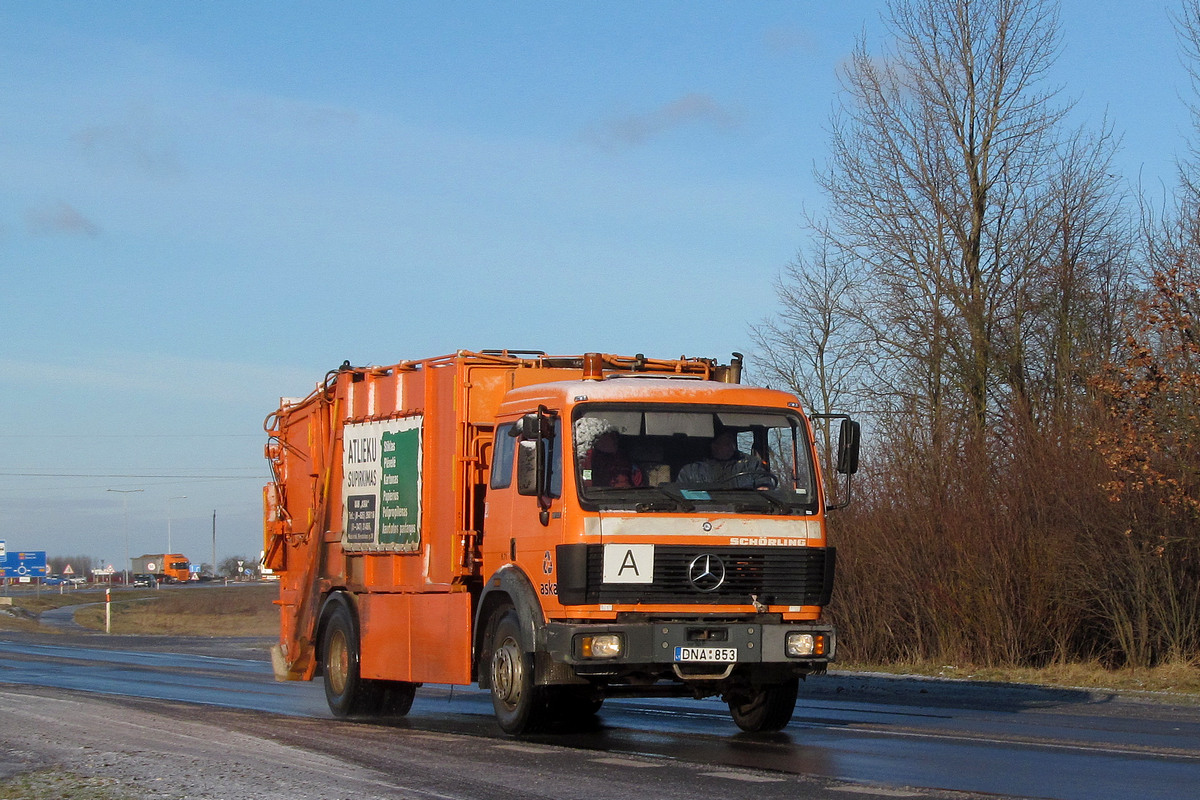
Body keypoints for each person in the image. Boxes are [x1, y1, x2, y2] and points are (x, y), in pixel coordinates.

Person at [677, 430, 770, 488]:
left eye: (732, 443)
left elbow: (764, 485)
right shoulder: (691, 471)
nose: (731, 447)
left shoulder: (750, 464)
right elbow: (679, 496)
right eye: (726, 443)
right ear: (714, 446)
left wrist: (763, 488)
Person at [580, 429, 644, 488]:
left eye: (615, 437)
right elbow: (587, 481)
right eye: (610, 436)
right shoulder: (588, 458)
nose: (614, 440)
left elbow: (637, 483)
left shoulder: (623, 459)